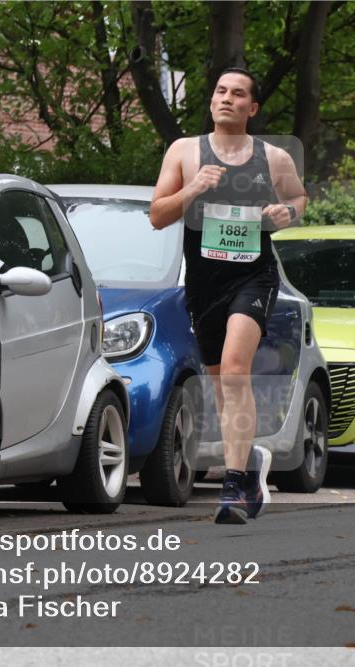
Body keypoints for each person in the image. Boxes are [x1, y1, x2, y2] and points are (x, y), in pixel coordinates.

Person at [149, 67, 308, 524]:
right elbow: (158, 215)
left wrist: (285, 212)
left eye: (238, 94)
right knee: (220, 383)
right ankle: (250, 463)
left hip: (253, 277)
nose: (227, 98)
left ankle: (234, 485)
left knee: (237, 372)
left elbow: (299, 199)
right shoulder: (183, 152)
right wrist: (193, 188)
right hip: (204, 280)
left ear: (251, 108)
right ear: (211, 101)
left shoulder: (274, 157)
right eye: (220, 90)